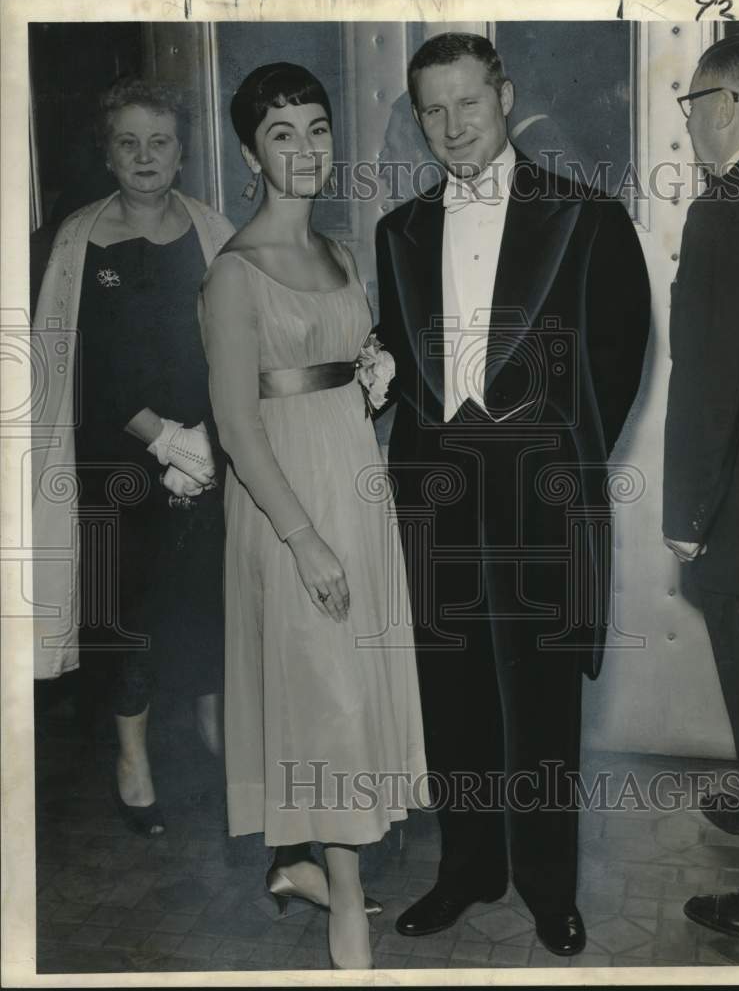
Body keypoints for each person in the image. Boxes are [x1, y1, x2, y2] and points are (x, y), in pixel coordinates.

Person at [375, 33, 650, 956]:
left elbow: (618, 359)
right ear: (417, 118)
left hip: (542, 495)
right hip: (435, 497)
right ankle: (466, 872)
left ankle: (546, 886)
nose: (453, 127)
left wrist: (561, 467)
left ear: (505, 96)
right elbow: (407, 364)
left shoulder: (586, 216)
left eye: (468, 104)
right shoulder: (398, 229)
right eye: (433, 110)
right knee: (450, 694)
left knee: (540, 703)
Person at [198, 62, 428, 971]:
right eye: (282, 133)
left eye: (318, 129)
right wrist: (305, 541)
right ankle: (346, 916)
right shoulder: (233, 274)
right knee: (326, 698)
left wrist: (373, 381)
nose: (305, 149)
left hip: (356, 491)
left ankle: (306, 868)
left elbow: (343, 369)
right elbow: (237, 426)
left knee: (352, 692)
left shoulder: (341, 250)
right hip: (288, 510)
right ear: (250, 149)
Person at [31, 78, 234, 834]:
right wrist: (161, 438)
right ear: (106, 152)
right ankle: (133, 762)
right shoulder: (70, 243)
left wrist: (209, 441)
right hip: (113, 466)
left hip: (209, 460)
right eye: (128, 141)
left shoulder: (216, 232)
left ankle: (220, 745)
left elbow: (238, 343)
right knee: (129, 615)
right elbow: (70, 360)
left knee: (209, 604)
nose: (145, 156)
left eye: (160, 142)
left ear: (182, 153)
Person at [663, 36, 739, 939]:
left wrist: (685, 518)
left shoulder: (729, 203)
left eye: (690, 103)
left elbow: (708, 378)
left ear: (725, 103)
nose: (690, 124)